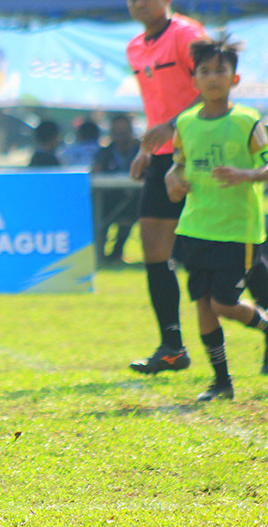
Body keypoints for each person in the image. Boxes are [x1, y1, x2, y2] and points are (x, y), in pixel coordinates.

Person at [164, 36, 268, 400]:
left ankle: (265, 324)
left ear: (234, 80)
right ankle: (221, 382)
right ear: (194, 81)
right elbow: (178, 164)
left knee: (223, 303)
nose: (212, 77)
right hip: (195, 227)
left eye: (220, 70)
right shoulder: (186, 123)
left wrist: (246, 174)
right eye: (204, 71)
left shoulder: (247, 121)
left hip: (238, 230)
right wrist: (172, 180)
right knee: (203, 304)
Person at [124, 0, 206, 374]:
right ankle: (172, 347)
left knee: (226, 251)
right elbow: (154, 107)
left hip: (199, 155)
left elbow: (212, 89)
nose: (138, 3)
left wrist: (173, 127)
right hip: (162, 158)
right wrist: (147, 148)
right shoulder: (134, 46)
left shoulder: (188, 35)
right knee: (154, 250)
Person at [93, 114, 142, 264]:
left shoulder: (140, 151)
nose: (121, 137)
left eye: (125, 132)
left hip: (137, 198)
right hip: (110, 198)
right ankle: (101, 256)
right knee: (100, 214)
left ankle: (117, 253)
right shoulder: (105, 152)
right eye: (117, 133)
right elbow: (96, 171)